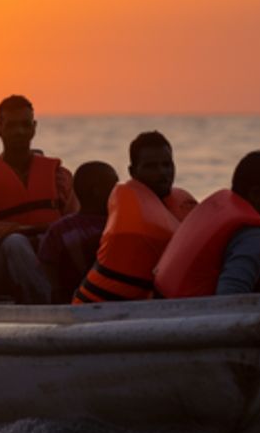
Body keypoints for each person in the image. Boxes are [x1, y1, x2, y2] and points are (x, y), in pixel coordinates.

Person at [0, 94, 76, 303]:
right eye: (12, 126)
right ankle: (47, 306)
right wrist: (29, 231)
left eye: (25, 125)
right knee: (16, 243)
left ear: (34, 128)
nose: (19, 131)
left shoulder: (58, 174)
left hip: (47, 256)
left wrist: (43, 238)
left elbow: (74, 223)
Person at [74, 130, 198, 304]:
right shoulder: (131, 219)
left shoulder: (180, 204)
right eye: (151, 166)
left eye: (167, 164)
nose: (163, 173)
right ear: (133, 172)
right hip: (98, 313)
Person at [156, 151, 260, 299]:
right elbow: (230, 297)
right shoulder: (255, 236)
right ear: (255, 194)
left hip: (164, 302)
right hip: (193, 314)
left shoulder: (217, 206)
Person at [37, 161, 116, 303]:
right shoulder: (61, 230)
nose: (118, 190)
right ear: (96, 190)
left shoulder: (59, 229)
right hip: (76, 300)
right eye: (113, 185)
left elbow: (47, 265)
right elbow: (48, 268)